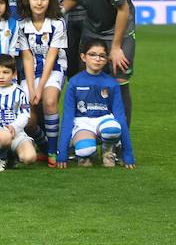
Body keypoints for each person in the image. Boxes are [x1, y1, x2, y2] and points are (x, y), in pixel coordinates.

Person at [55, 0, 136, 125]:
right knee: (88, 79)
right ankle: (88, 132)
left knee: (118, 82)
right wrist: (57, 13)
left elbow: (123, 9)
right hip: (92, 27)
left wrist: (115, 48)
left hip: (119, 28)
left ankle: (118, 142)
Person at [57, 41, 136, 169]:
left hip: (103, 121)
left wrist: (128, 154)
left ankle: (108, 151)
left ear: (106, 59)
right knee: (85, 150)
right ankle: (87, 153)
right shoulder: (74, 82)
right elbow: (67, 118)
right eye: (92, 54)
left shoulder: (111, 83)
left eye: (102, 56)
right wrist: (62, 153)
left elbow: (120, 117)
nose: (97, 59)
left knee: (113, 128)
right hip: (82, 123)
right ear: (83, 57)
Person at [17, 0, 67, 167]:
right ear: (27, 0)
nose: (39, 3)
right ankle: (43, 144)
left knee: (49, 101)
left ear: (50, 0)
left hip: (53, 68)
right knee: (28, 119)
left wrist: (40, 86)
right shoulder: (22, 24)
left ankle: (53, 151)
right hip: (30, 71)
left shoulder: (58, 23)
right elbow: (27, 58)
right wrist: (31, 88)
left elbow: (53, 56)